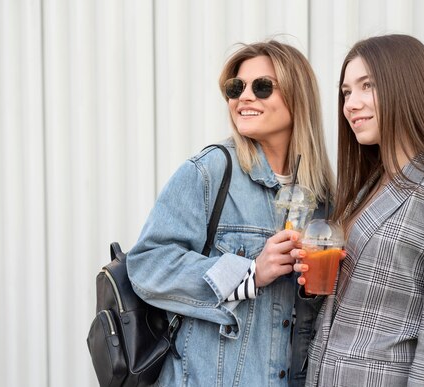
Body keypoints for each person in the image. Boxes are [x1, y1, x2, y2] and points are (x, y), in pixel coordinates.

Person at [292, 34, 424, 386]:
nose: (351, 104)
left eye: (366, 86)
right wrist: (313, 282)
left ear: (407, 88)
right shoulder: (364, 189)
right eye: (346, 92)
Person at [127, 40, 335, 387]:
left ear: (298, 97)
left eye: (262, 87)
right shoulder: (208, 173)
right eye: (236, 88)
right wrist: (250, 273)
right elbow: (147, 265)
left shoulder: (322, 196)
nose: (244, 97)